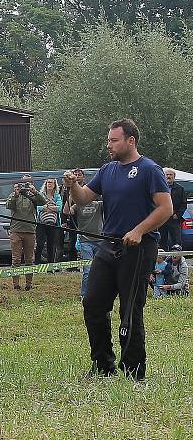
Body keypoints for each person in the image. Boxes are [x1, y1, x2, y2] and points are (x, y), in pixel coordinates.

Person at [64, 118, 172, 380]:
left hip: (139, 247)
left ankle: (134, 371)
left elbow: (166, 208)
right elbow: (83, 198)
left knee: (130, 308)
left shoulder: (150, 170)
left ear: (130, 141)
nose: (109, 145)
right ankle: (103, 365)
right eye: (109, 140)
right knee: (93, 304)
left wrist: (138, 230)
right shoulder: (107, 170)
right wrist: (72, 186)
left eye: (114, 140)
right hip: (108, 245)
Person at [5, 174, 46, 291]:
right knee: (16, 259)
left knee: (29, 259)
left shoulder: (33, 195)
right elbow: (8, 205)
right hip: (16, 230)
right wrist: (15, 194)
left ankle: (29, 283)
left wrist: (35, 192)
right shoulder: (15, 194)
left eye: (28, 183)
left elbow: (43, 202)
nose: (25, 185)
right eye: (23, 183)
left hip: (30, 231)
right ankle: (16, 284)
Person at [67, 178, 104, 298]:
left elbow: (113, 203)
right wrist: (72, 193)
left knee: (101, 270)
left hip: (100, 241)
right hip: (85, 241)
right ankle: (85, 295)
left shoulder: (99, 205)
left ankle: (99, 294)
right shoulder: (78, 206)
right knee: (88, 270)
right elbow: (66, 211)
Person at [36, 178, 63, 264]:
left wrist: (46, 207)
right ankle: (37, 263)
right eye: (48, 182)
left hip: (53, 224)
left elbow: (59, 208)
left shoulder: (57, 196)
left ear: (55, 185)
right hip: (41, 224)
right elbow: (38, 207)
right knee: (40, 244)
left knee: (51, 245)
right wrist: (52, 207)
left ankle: (50, 266)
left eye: (51, 183)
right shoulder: (40, 195)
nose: (49, 184)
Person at [159, 168, 186, 250]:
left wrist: (178, 215)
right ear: (164, 176)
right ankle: (162, 262)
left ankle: (177, 261)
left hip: (174, 219)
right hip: (162, 219)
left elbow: (183, 204)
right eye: (167, 175)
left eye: (171, 175)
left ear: (174, 177)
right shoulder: (159, 187)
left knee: (177, 241)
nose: (168, 176)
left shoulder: (180, 189)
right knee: (161, 241)